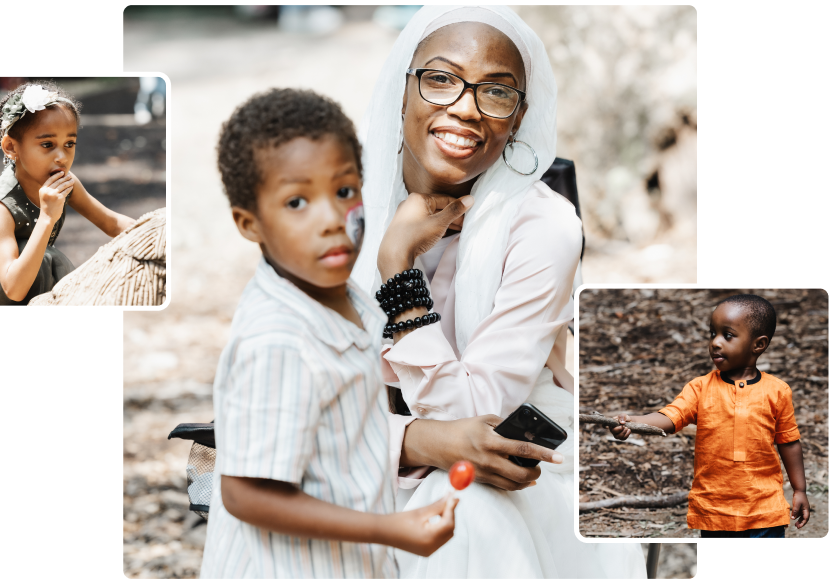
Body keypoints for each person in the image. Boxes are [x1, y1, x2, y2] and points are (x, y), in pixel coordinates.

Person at [353, 5, 646, 577]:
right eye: (440, 80)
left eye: (497, 92)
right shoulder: (335, 209)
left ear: (519, 116)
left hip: (514, 477)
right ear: (402, 88)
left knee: (464, 510)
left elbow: (473, 412)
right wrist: (419, 442)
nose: (465, 108)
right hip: (358, 463)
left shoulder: (544, 226)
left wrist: (397, 272)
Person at [199, 88, 459, 579]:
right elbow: (244, 492)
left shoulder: (346, 296)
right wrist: (391, 530)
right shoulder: (278, 340)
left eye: (344, 192)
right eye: (297, 202)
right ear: (249, 223)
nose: (330, 221)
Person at [611, 294, 810, 538]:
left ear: (758, 345)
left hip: (764, 509)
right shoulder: (700, 388)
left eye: (727, 335)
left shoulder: (777, 391)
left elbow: (788, 441)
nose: (715, 342)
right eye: (712, 333)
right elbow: (672, 417)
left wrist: (800, 489)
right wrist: (635, 422)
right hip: (714, 510)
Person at [0, 81, 136, 305]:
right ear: (11, 147)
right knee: (43, 261)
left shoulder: (65, 183)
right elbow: (13, 288)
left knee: (41, 261)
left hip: (23, 267)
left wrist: (155, 231)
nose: (61, 156)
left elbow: (111, 223)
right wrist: (47, 217)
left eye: (69, 143)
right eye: (47, 144)